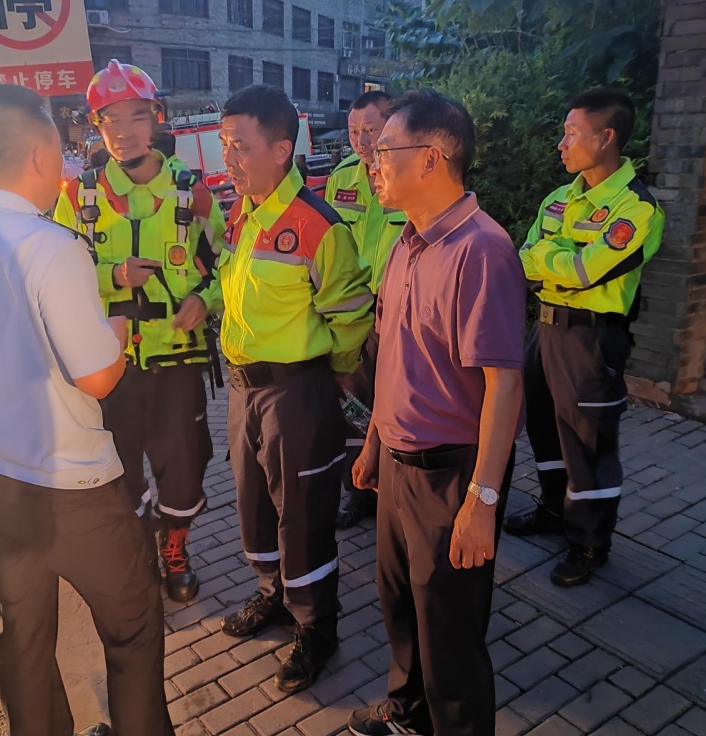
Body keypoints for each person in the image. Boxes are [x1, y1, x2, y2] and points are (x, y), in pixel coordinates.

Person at [0, 84, 173, 736]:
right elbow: (99, 376)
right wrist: (121, 331)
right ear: (42, 152)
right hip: (70, 488)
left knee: (23, 641)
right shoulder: (49, 246)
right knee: (131, 633)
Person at [345, 90, 526, 736]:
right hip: (396, 464)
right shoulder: (406, 242)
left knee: (449, 635)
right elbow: (393, 355)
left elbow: (505, 385)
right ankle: (407, 716)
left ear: (430, 159)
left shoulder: (483, 250)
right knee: (400, 608)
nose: (371, 162)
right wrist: (372, 443)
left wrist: (482, 499)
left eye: (383, 150)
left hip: (450, 478)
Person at [215, 84, 374, 693]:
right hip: (242, 390)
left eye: (240, 146)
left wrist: (330, 374)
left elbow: (352, 314)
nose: (229, 158)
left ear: (282, 148)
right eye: (226, 145)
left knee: (304, 514)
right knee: (254, 501)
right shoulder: (242, 213)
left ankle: (318, 627)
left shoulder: (317, 226)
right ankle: (273, 595)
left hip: (296, 391)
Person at [54, 61, 226, 603]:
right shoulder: (79, 197)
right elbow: (55, 276)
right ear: (95, 127)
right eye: (111, 120)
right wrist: (112, 275)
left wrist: (206, 298)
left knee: (184, 464)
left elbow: (229, 262)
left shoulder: (191, 191)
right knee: (118, 469)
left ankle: (176, 551)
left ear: (156, 118)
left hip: (177, 359)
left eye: (136, 116)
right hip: (111, 368)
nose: (124, 130)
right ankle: (136, 551)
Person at [504, 87, 665, 587]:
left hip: (592, 341)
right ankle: (554, 510)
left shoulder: (637, 207)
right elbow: (524, 256)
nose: (562, 143)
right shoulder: (561, 196)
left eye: (573, 132)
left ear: (607, 137)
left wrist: (554, 263)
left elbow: (585, 271)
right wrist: (558, 264)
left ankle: (590, 543)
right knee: (544, 430)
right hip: (546, 330)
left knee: (588, 443)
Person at [325, 90, 407, 529]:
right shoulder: (341, 179)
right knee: (352, 402)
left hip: (399, 313)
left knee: (396, 401)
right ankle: (358, 489)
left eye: (370, 130)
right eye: (355, 130)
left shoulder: (410, 178)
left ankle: (395, 486)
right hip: (354, 314)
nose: (361, 140)